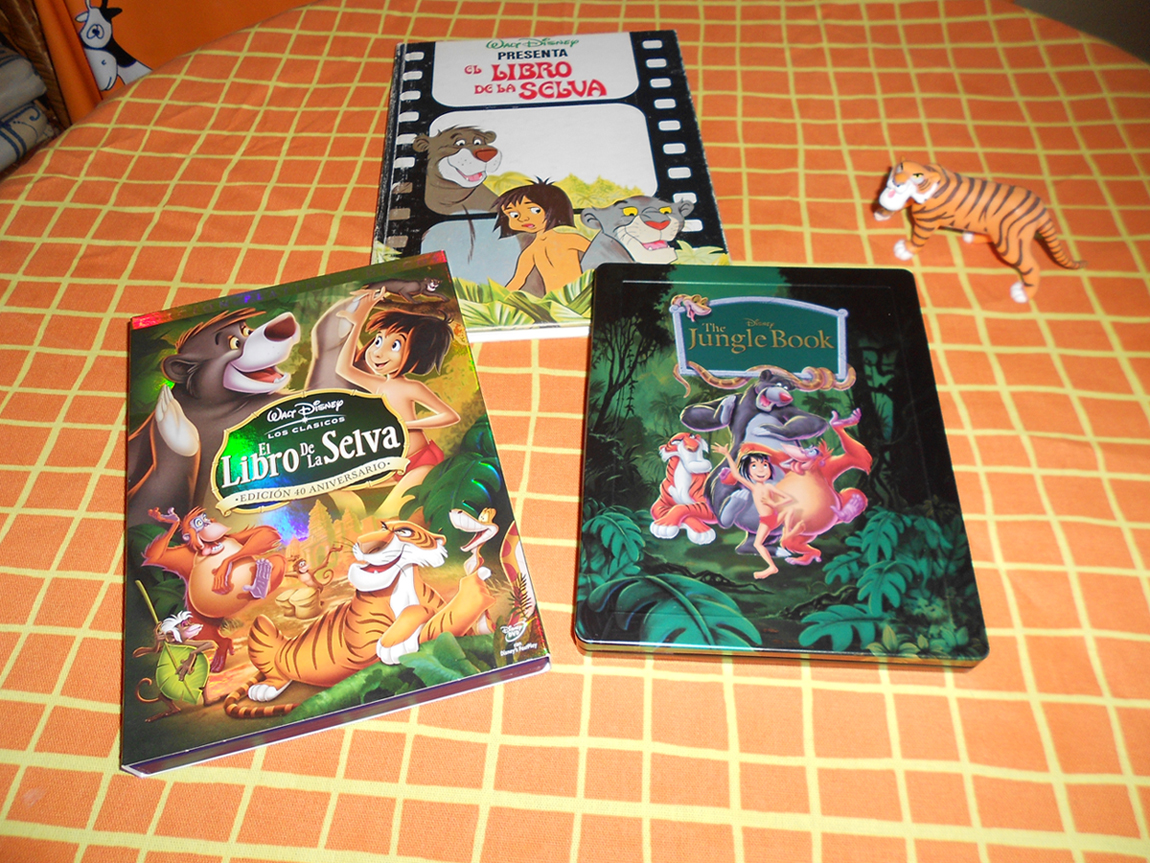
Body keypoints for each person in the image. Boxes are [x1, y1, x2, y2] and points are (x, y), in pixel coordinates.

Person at [335, 292, 459, 515]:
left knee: (383, 516)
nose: (377, 352)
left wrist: (406, 425)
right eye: (378, 341)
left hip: (419, 462)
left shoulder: (411, 387)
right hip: (392, 466)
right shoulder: (379, 384)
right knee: (342, 494)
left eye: (395, 345)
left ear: (417, 353)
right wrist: (357, 324)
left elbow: (450, 416)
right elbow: (344, 368)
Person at [713, 442, 794, 578]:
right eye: (754, 466)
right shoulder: (754, 487)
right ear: (748, 472)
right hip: (765, 521)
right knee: (757, 544)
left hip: (771, 520)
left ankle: (786, 541)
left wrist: (773, 504)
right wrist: (727, 454)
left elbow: (788, 499)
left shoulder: (769, 487)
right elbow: (736, 475)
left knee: (788, 513)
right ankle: (772, 567)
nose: (761, 470)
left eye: (765, 465)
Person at [494, 181, 590, 294]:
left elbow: (600, 255)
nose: (523, 219)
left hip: (580, 296)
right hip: (554, 301)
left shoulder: (570, 239)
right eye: (514, 215)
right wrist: (498, 298)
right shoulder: (530, 251)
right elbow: (517, 281)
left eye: (534, 210)